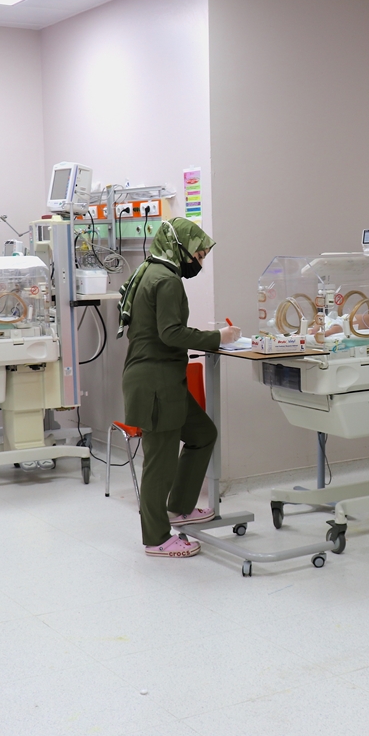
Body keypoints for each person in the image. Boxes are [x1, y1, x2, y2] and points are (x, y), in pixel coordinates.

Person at [118, 218, 240, 558]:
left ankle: (180, 507)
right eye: (198, 255)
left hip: (164, 379)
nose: (199, 263)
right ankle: (157, 538)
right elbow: (170, 333)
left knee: (203, 434)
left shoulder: (152, 270)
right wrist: (218, 337)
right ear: (179, 247)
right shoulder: (166, 280)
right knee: (160, 462)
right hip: (155, 383)